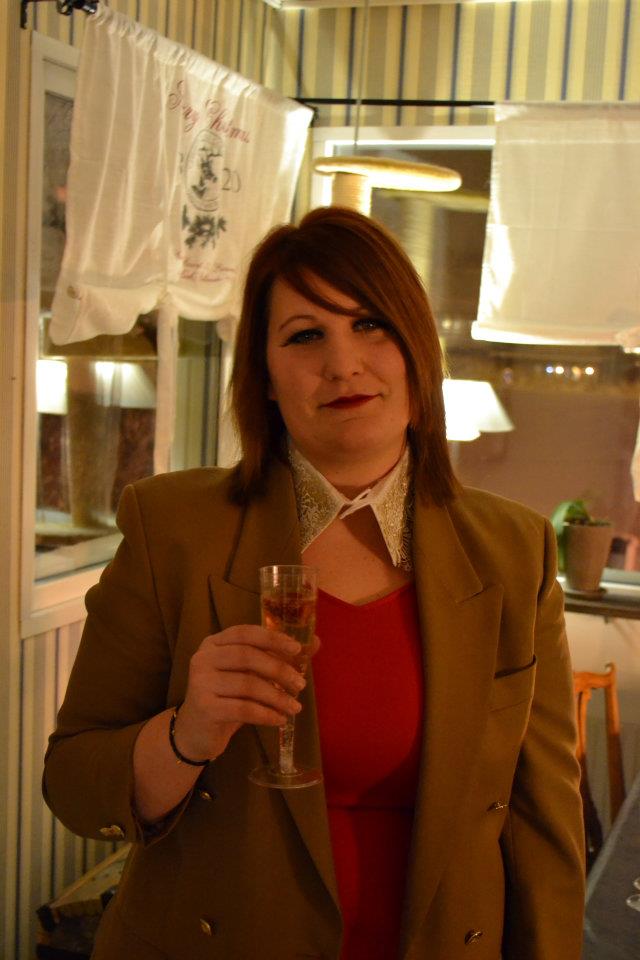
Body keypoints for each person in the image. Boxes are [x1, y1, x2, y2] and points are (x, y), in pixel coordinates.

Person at [43, 206, 585, 960]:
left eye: (371, 325)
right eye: (305, 336)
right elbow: (74, 785)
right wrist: (186, 733)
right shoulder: (172, 528)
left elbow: (543, 819)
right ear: (264, 378)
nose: (343, 363)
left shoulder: (513, 551)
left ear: (417, 352)